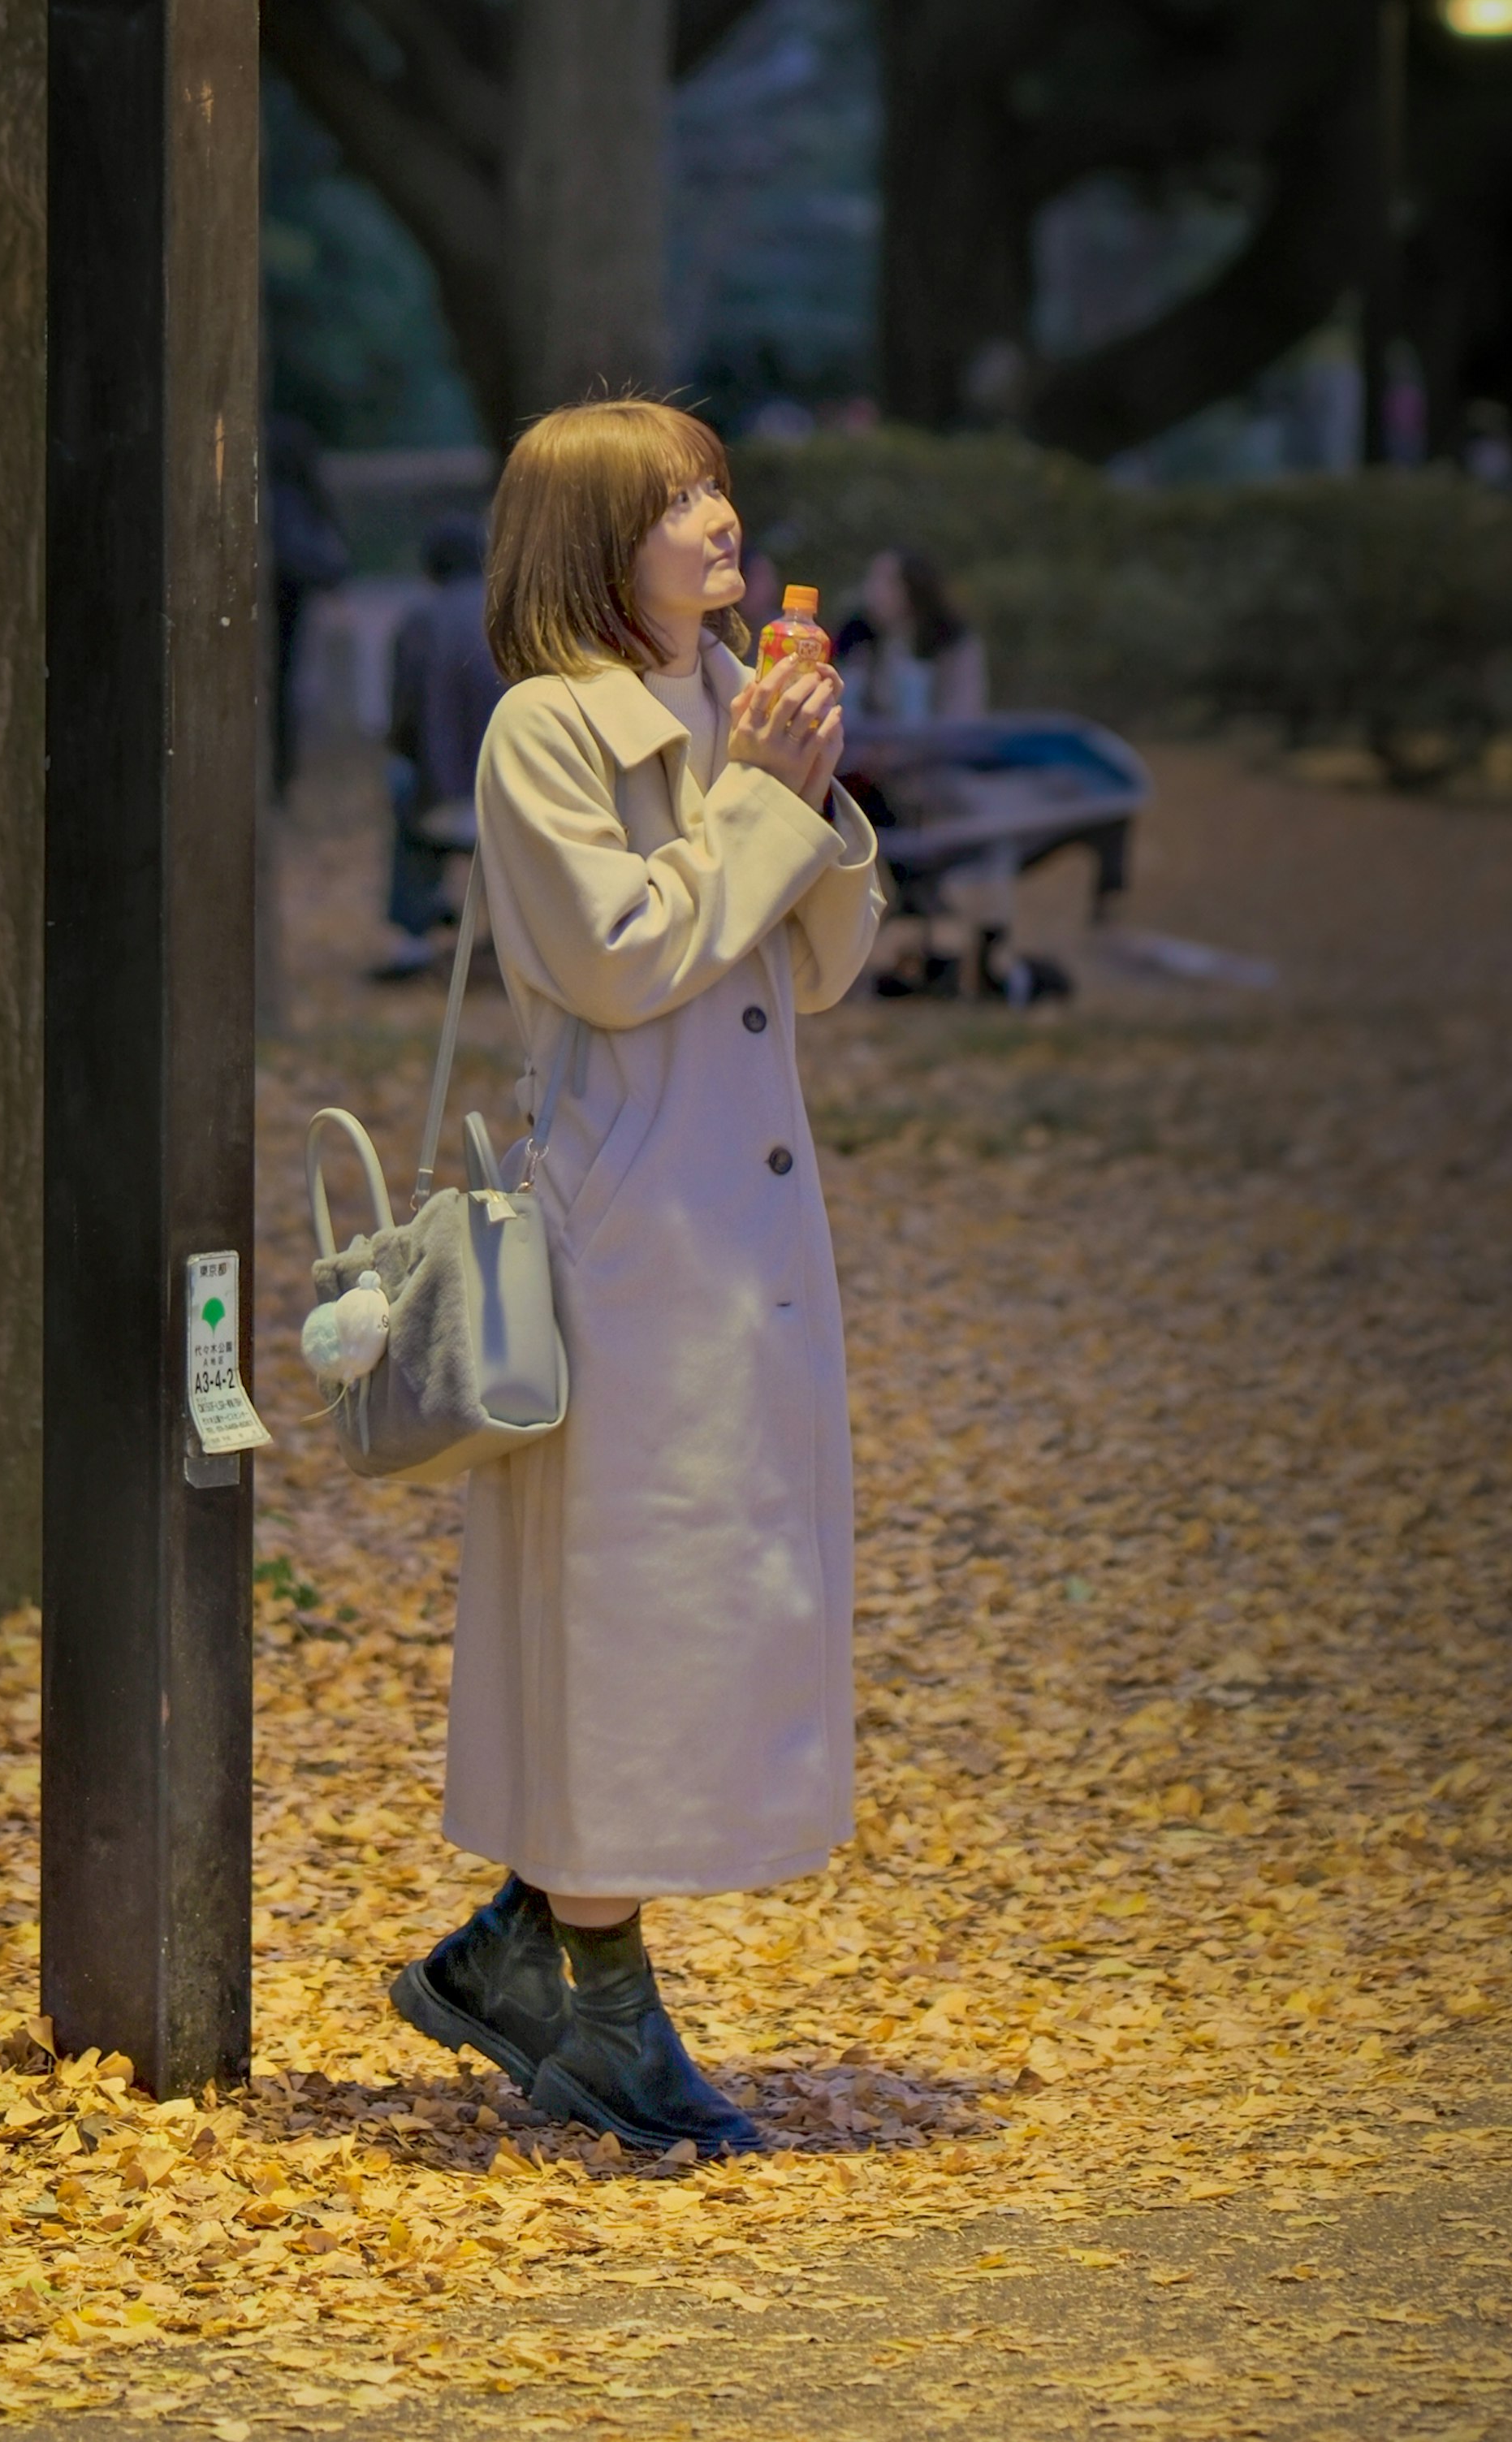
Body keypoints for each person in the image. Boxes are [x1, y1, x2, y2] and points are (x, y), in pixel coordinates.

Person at [390, 396, 880, 2160]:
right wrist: (762, 794)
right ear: (599, 545)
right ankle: (593, 1993)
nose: (719, 516)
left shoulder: (721, 693)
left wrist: (804, 788)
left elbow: (816, 964)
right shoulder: (548, 725)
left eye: (715, 484)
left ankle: (533, 1943)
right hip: (630, 1217)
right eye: (676, 500)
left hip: (737, 1214)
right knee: (622, 1587)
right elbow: (618, 958)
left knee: (704, 1579)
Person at [378, 513, 501, 980]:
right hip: (517, 795)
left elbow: (404, 718)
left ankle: (413, 939)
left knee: (405, 792)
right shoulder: (512, 616)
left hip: (442, 800)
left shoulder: (419, 622)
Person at [265, 412, 351, 793]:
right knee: (284, 682)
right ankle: (281, 771)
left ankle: (278, 771)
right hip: (290, 596)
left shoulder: (269, 493)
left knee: (277, 684)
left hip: (272, 591)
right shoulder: (299, 495)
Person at [833, 543, 986, 732]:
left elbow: (963, 715)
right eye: (872, 579)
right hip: (867, 752)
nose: (874, 591)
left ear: (914, 587)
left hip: (940, 753)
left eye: (888, 582)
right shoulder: (857, 638)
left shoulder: (952, 642)